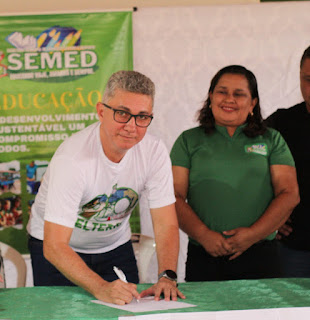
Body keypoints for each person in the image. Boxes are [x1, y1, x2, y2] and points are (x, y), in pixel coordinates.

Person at [27, 70, 185, 305]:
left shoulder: (154, 152)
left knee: (128, 310)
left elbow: (166, 222)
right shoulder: (72, 159)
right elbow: (54, 246)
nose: (131, 126)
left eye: (142, 117)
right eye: (122, 113)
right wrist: (100, 287)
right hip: (58, 249)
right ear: (101, 112)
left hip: (114, 246)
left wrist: (167, 276)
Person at [170, 65, 300, 281]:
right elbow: (173, 196)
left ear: (253, 103)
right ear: (210, 97)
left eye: (239, 94)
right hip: (204, 254)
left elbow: (289, 193)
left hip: (261, 254)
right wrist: (204, 235)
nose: (229, 99)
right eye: (222, 92)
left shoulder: (271, 139)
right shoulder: (188, 140)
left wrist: (252, 235)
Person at [265, 46, 310, 277]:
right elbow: (245, 166)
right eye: (308, 79)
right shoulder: (281, 122)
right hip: (295, 248)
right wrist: (269, 217)